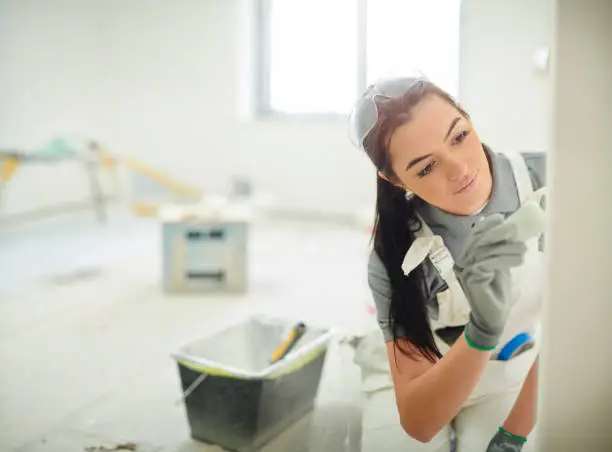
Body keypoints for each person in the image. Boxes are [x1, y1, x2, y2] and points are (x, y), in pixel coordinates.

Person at [348, 74, 546, 451]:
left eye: (459, 137)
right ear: (393, 178)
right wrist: (481, 331)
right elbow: (419, 421)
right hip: (414, 377)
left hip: (506, 367)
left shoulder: (548, 181)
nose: (459, 170)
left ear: (466, 116)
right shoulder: (394, 254)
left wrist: (513, 434)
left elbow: (581, 329)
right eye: (425, 168)